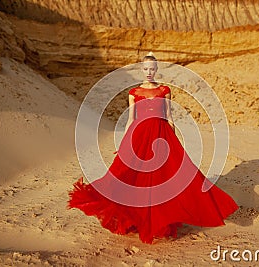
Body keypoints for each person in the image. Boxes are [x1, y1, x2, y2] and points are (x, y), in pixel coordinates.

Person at [68, 52, 238, 244]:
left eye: (152, 69)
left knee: (167, 175)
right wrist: (125, 141)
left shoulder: (164, 90)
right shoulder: (134, 93)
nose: (149, 72)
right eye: (146, 69)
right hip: (140, 135)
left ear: (156, 70)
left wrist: (173, 137)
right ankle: (138, 219)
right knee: (133, 176)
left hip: (162, 135)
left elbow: (169, 116)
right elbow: (131, 119)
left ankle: (167, 216)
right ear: (142, 70)